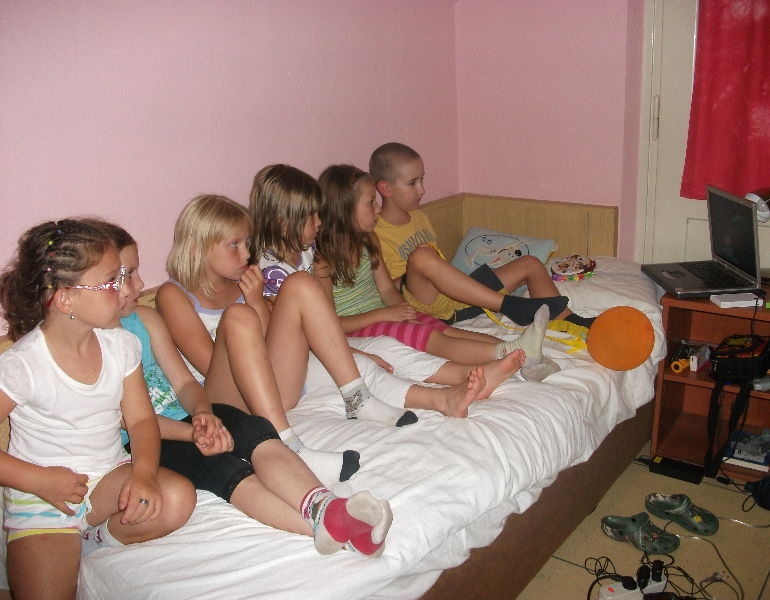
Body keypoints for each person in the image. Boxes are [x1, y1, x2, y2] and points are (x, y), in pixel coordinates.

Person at [98, 219, 393, 558]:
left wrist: (204, 413)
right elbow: (130, 420)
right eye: (127, 275)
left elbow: (185, 383)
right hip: (151, 439)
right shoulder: (98, 347)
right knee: (225, 469)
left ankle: (326, 505)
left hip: (192, 417)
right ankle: (336, 530)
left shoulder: (144, 321)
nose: (139, 284)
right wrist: (193, 432)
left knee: (256, 432)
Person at [0, 219, 196, 600]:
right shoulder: (23, 365)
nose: (125, 290)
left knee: (178, 498)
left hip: (107, 476)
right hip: (42, 496)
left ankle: (95, 539)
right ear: (66, 300)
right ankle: (66, 540)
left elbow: (141, 421)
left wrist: (144, 474)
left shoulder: (121, 345)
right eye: (111, 282)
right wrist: (39, 481)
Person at [249, 164, 531, 413]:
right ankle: (460, 384)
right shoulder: (292, 267)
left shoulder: (310, 250)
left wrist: (404, 310)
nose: (319, 221)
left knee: (425, 333)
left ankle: (499, 356)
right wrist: (369, 338)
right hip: (324, 347)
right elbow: (319, 327)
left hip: (346, 332)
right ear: (284, 222)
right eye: (310, 216)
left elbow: (384, 293)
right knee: (387, 355)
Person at [315, 163, 551, 368]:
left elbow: (387, 290)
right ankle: (510, 354)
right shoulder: (322, 263)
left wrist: (404, 310)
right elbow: (330, 324)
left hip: (386, 314)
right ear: (343, 211)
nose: (377, 208)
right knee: (435, 339)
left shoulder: (369, 241)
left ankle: (522, 348)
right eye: (370, 203)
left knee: (447, 330)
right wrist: (385, 314)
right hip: (357, 330)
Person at [369, 142, 595, 329]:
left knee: (530, 263)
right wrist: (421, 268)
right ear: (386, 189)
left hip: (455, 297)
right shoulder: (376, 233)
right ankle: (512, 306)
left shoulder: (419, 216)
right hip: (424, 304)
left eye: (422, 180)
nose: (422, 190)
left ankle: (569, 321)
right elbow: (383, 290)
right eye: (412, 183)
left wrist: (444, 275)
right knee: (421, 257)